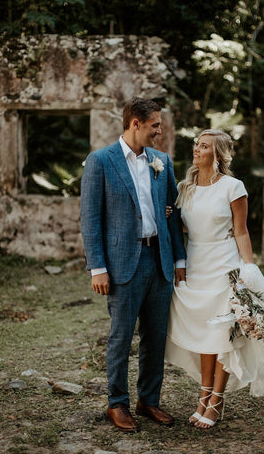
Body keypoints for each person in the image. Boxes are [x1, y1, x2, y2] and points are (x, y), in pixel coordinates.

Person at [165, 128, 264, 429]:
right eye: (196, 144)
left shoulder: (234, 187)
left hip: (224, 265)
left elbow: (241, 231)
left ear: (218, 154)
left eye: (204, 146)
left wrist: (248, 270)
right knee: (204, 334)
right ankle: (203, 395)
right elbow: (185, 227)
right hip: (195, 265)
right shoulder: (187, 187)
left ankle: (216, 400)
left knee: (222, 334)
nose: (196, 149)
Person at [80, 97, 186, 432]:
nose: (160, 130)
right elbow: (90, 218)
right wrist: (97, 266)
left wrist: (179, 258)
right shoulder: (100, 161)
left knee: (155, 338)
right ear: (135, 123)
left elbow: (173, 213)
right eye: (155, 124)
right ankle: (117, 404)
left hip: (160, 262)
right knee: (121, 338)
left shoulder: (162, 161)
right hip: (123, 264)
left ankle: (148, 401)